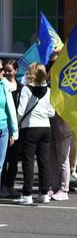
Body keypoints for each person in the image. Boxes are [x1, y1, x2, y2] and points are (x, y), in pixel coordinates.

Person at [15, 63, 55, 205]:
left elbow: (20, 111)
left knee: (28, 161)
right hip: (45, 127)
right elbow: (52, 112)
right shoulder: (48, 90)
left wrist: (16, 123)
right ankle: (44, 193)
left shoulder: (26, 89)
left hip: (30, 128)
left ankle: (27, 194)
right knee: (44, 161)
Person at [0, 59, 22, 198]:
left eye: (7, 70)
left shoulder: (7, 86)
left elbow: (11, 110)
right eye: (3, 70)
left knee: (7, 162)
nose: (4, 73)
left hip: (5, 128)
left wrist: (14, 131)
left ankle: (8, 187)